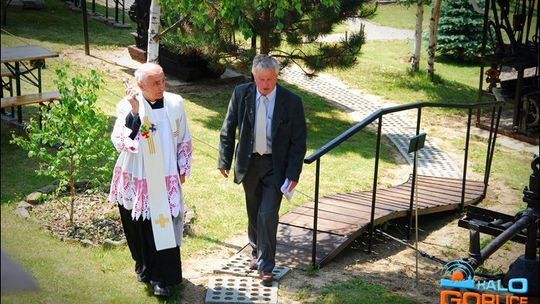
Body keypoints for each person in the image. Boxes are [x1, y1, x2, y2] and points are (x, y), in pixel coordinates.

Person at [218, 54, 307, 286]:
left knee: (267, 214)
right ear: (254, 77)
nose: (266, 85)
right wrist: (224, 161)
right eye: (261, 80)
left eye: (270, 79)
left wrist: (293, 174)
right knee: (254, 210)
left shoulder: (292, 102)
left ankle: (266, 266)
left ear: (276, 77)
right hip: (249, 164)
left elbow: (299, 143)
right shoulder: (241, 94)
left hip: (275, 166)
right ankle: (257, 250)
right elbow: (228, 129)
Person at [108, 63, 192, 297]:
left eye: (163, 80)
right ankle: (144, 267)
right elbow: (123, 143)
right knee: (138, 226)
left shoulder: (175, 104)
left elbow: (183, 137)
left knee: (162, 226)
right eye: (156, 83)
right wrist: (135, 112)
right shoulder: (126, 105)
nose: (161, 86)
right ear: (140, 85)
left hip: (164, 174)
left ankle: (163, 278)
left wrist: (182, 167)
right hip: (138, 174)